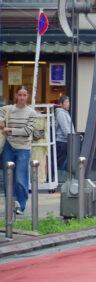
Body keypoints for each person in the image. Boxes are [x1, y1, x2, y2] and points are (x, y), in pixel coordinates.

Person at [0, 86, 38, 215]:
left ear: (27, 96)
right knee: (7, 178)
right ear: (16, 95)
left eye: (24, 95)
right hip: (8, 146)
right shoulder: (9, 109)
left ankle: (21, 206)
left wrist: (9, 129)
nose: (22, 98)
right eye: (20, 95)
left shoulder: (31, 113)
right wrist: (2, 122)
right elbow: (0, 113)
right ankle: (11, 204)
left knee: (20, 178)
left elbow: (27, 132)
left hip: (23, 148)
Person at [55, 96, 75, 170]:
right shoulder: (61, 113)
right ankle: (57, 176)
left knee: (62, 160)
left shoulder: (65, 113)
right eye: (66, 102)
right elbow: (65, 128)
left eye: (68, 102)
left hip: (65, 140)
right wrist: (71, 136)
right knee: (60, 160)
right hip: (62, 141)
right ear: (61, 104)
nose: (68, 104)